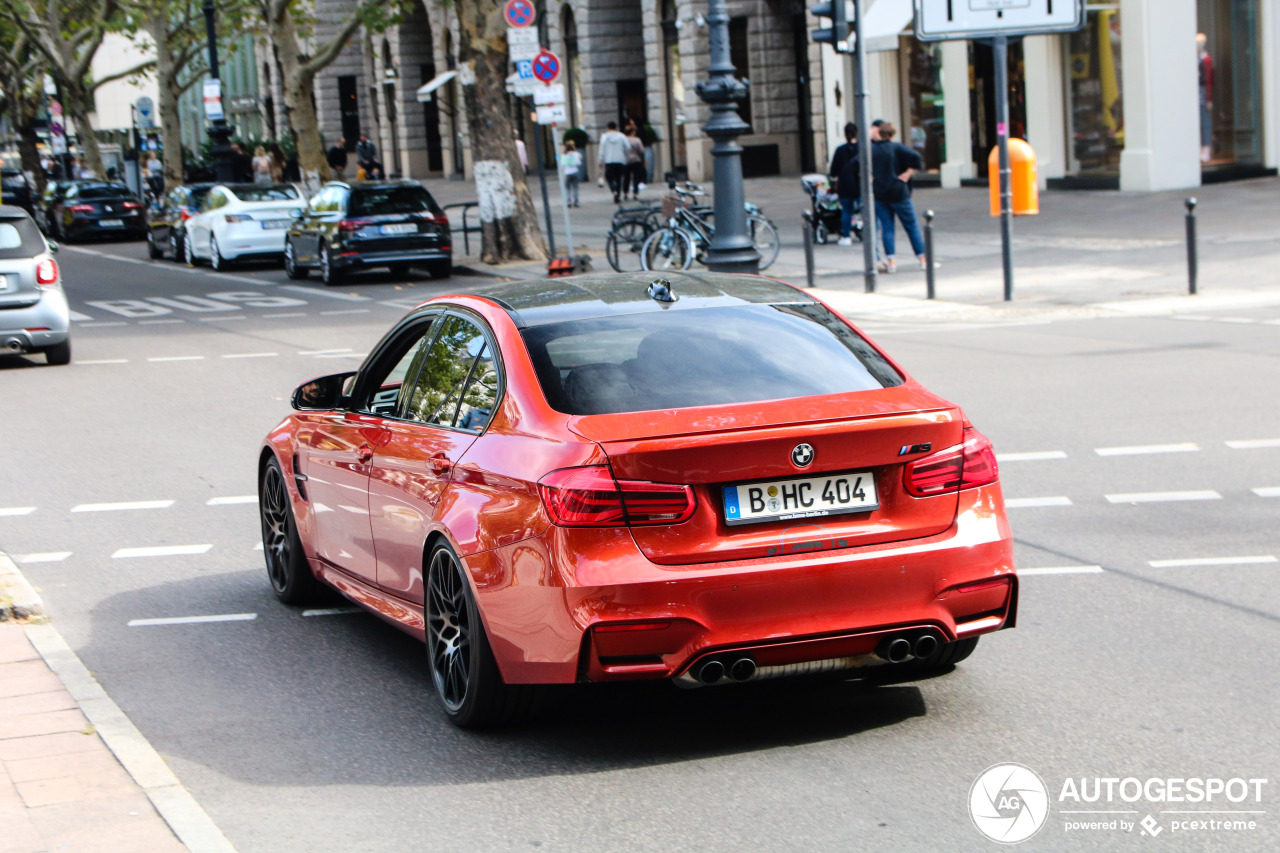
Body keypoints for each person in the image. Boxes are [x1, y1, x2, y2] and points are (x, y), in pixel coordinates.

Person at [869, 121, 927, 274]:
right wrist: (907, 174)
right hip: (898, 191)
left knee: (887, 228)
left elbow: (856, 163)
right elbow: (916, 158)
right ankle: (922, 259)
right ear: (892, 134)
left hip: (880, 193)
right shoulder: (897, 147)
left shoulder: (872, 150)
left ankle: (892, 262)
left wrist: (871, 176)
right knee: (911, 226)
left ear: (879, 133)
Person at [827, 121, 861, 246]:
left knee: (846, 211)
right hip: (860, 184)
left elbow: (833, 171)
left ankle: (846, 236)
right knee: (864, 209)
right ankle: (867, 231)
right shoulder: (862, 148)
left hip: (845, 184)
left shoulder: (840, 150)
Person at [597, 121, 630, 204]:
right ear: (616, 127)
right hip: (620, 160)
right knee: (619, 178)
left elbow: (602, 150)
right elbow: (628, 147)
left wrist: (600, 160)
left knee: (609, 177)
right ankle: (617, 195)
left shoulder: (604, 137)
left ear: (608, 127)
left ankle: (613, 190)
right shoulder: (621, 136)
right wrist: (624, 154)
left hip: (609, 160)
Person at [1197, 32, 1213, 164]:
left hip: (1202, 92)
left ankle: (1206, 149)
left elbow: (1208, 80)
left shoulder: (1206, 60)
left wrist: (1209, 98)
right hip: (1195, 91)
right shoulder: (1195, 58)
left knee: (1204, 121)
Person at [623, 124, 646, 200]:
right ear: (632, 132)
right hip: (636, 160)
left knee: (626, 178)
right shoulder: (637, 140)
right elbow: (641, 150)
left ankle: (625, 193)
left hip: (626, 161)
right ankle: (635, 193)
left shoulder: (623, 140)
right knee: (636, 177)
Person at [559, 140, 582, 207]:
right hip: (575, 171)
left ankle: (568, 201)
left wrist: (562, 170)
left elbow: (562, 165)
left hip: (567, 172)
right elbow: (579, 163)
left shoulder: (564, 155)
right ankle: (576, 202)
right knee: (575, 187)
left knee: (567, 188)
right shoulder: (577, 154)